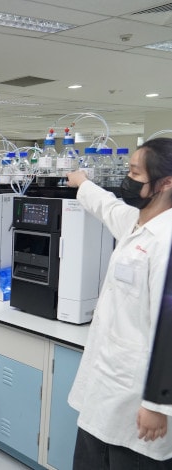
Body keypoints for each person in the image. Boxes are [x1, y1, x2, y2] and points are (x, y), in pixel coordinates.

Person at [66, 138, 172, 469]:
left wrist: (158, 404)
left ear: (165, 183)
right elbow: (107, 206)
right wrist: (81, 182)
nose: (126, 179)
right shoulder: (136, 222)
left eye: (134, 173)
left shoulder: (166, 240)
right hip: (104, 386)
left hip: (139, 401)